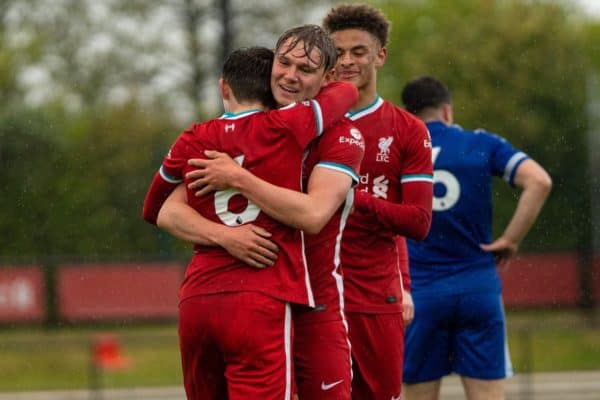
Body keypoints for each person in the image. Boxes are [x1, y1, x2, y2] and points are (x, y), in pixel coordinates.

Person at [152, 26, 365, 400]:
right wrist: (225, 236)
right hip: (261, 295)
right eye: (283, 63)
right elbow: (168, 209)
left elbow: (314, 215)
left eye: (305, 69)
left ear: (326, 79)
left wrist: (238, 177)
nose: (289, 75)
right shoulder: (239, 134)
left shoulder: (342, 134)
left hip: (315, 303)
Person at [400, 76, 552, 400]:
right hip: (476, 287)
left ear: (408, 115)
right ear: (447, 111)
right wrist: (511, 239)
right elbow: (539, 181)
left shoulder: (401, 149)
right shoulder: (482, 144)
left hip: (420, 292)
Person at [321, 4, 434, 399]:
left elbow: (418, 222)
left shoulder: (407, 129)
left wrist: (353, 198)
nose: (348, 61)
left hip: (374, 299)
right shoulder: (306, 123)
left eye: (359, 51)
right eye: (338, 53)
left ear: (380, 56)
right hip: (313, 298)